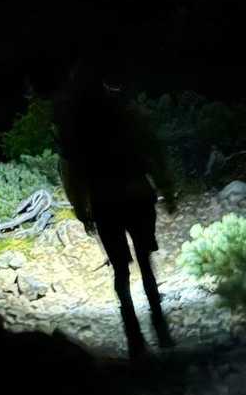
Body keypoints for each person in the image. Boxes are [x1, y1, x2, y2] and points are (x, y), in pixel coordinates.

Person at [53, 60, 179, 359]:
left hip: (104, 201)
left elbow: (71, 172)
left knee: (120, 270)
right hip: (137, 194)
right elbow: (153, 151)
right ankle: (160, 327)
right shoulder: (128, 113)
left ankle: (134, 337)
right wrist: (165, 188)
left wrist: (80, 208)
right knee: (145, 261)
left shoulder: (76, 125)